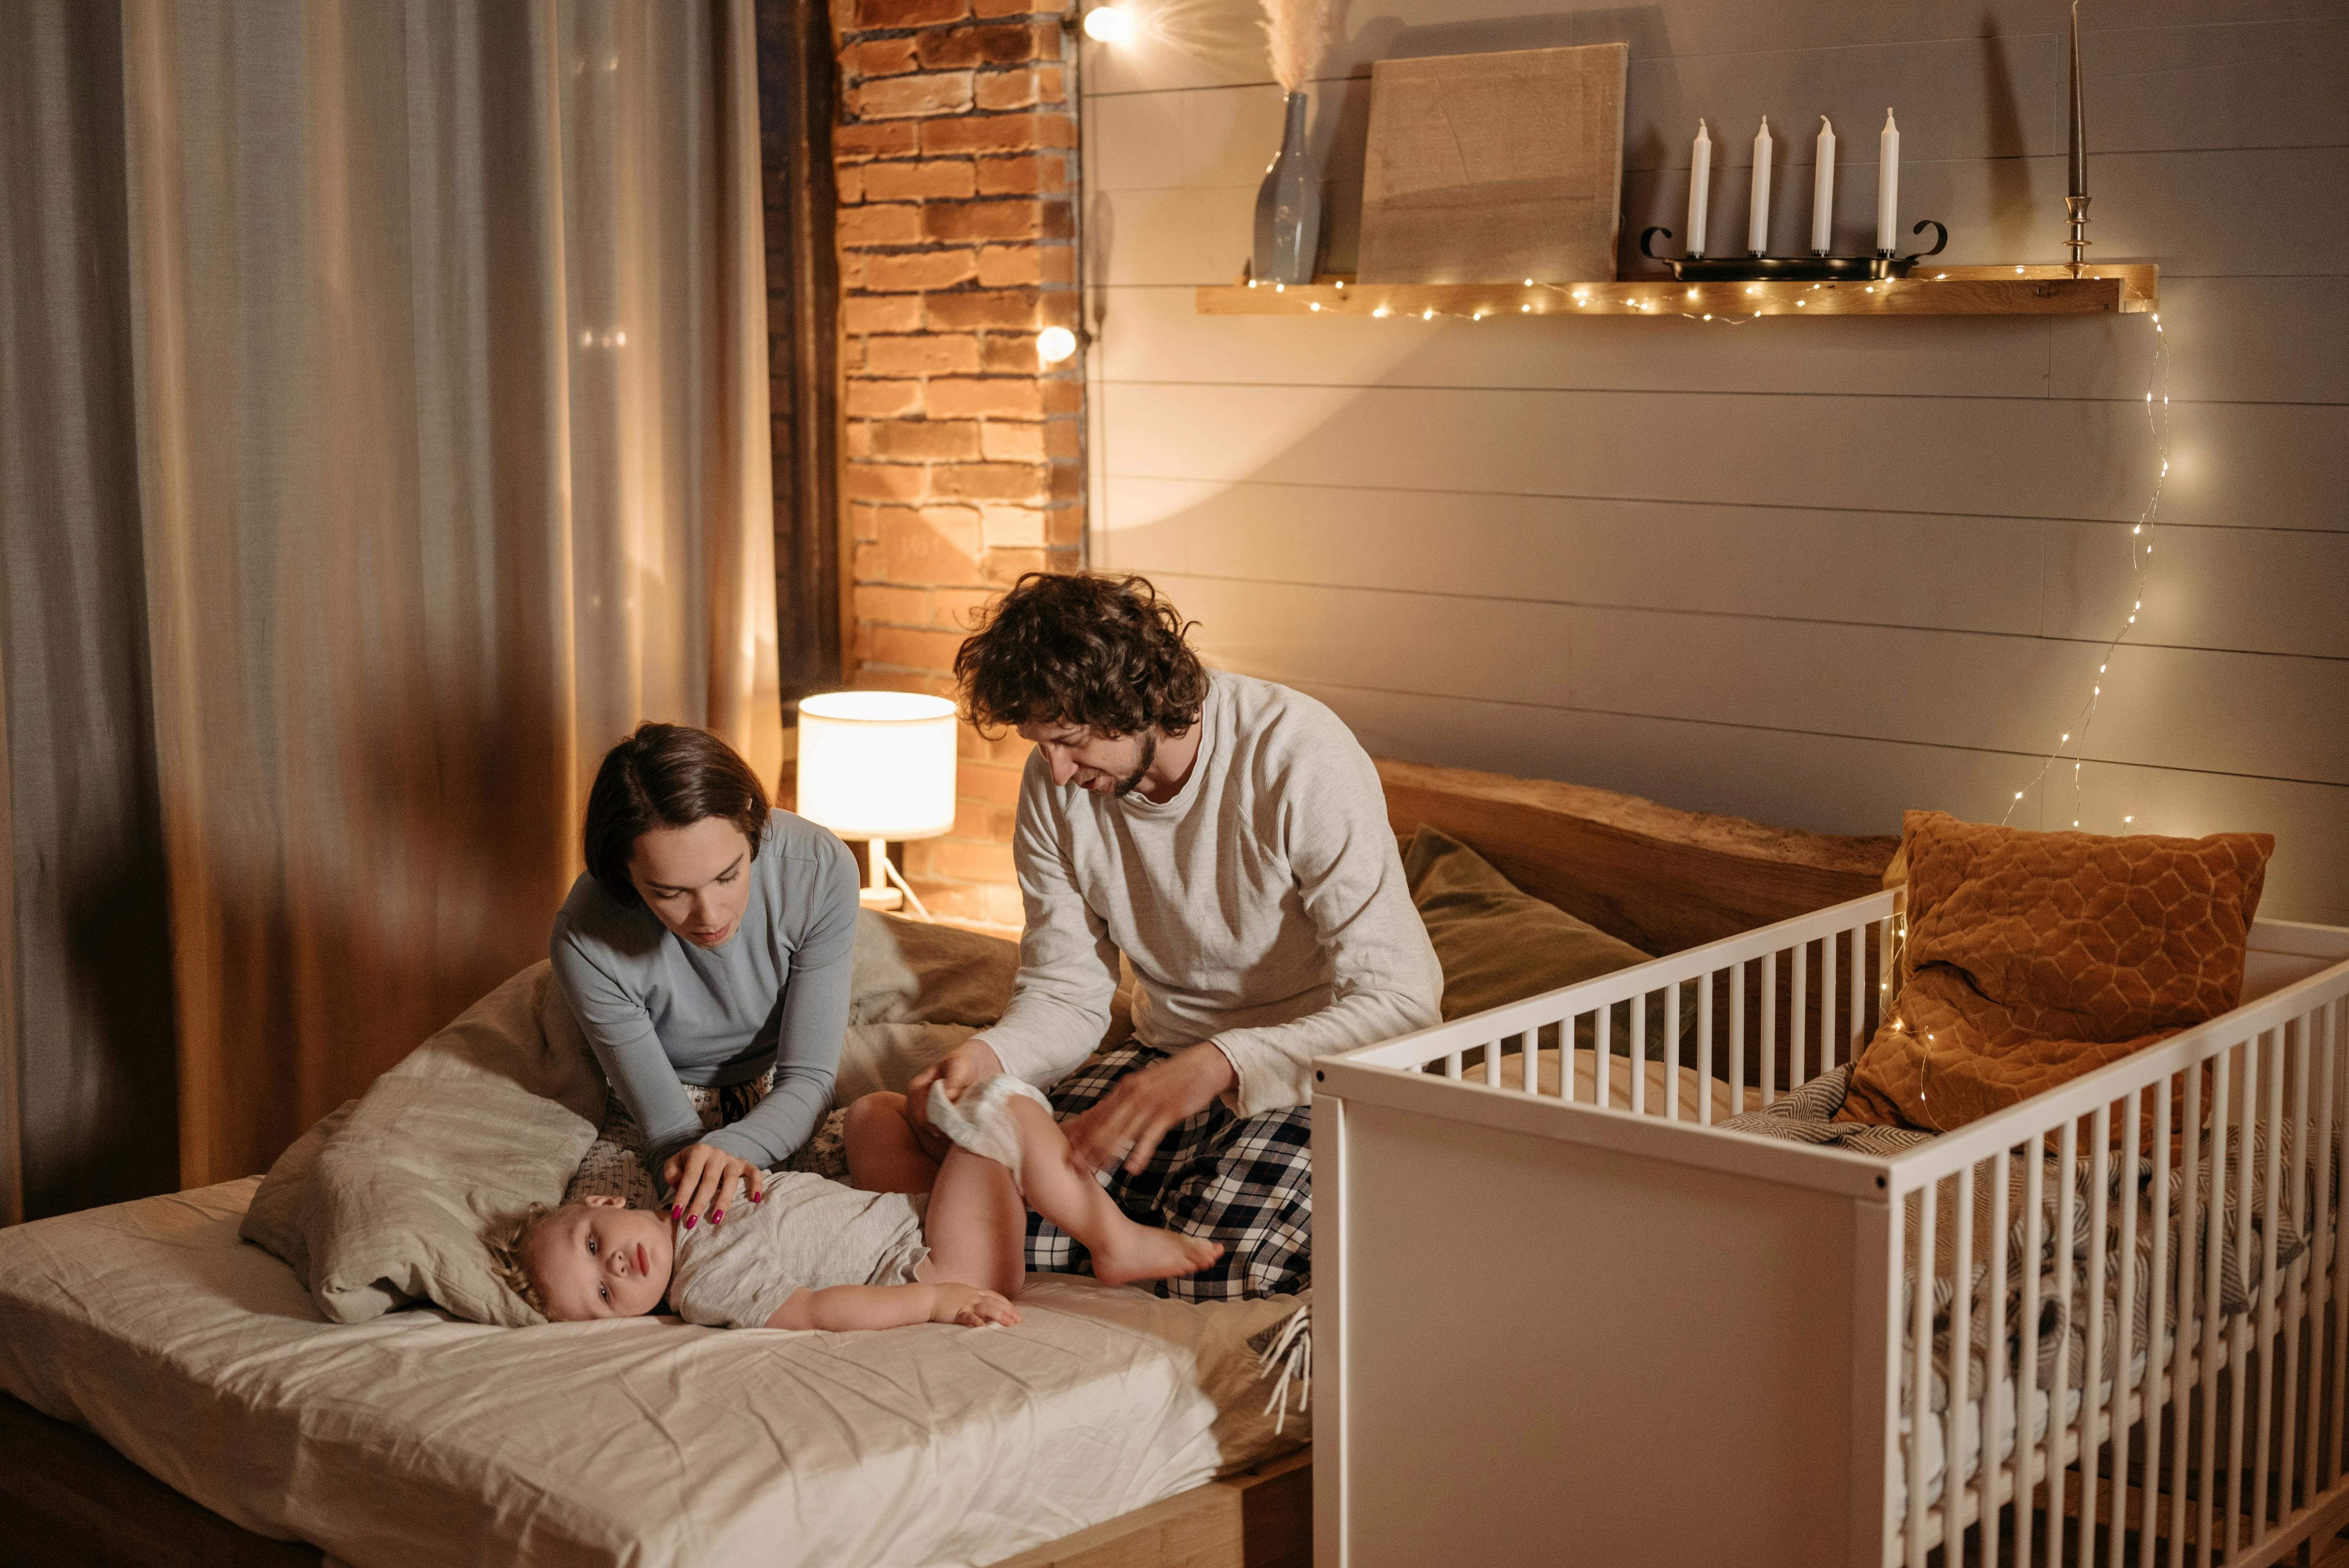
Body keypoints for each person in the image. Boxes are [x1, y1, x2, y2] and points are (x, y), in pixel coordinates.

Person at [850, 572, 1444, 1299]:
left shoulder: (1298, 755)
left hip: (1310, 1072)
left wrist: (1216, 1064)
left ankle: (1080, 1237)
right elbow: (1067, 991)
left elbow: (1404, 1001)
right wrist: (989, 1053)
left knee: (1226, 1267)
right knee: (985, 1174)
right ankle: (1107, 1237)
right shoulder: (1056, 789)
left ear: (1133, 700)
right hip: (1159, 1060)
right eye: (1042, 746)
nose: (1058, 772)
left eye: (1069, 743)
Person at [485, 1073, 1220, 1327]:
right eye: (607, 1295)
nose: (616, 1266)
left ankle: (993, 1176)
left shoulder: (685, 1193)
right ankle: (1115, 1240)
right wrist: (938, 1303)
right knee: (997, 1112)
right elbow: (815, 1312)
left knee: (871, 1114)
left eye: (591, 1248)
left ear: (606, 1204)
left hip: (900, 1220)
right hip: (936, 1265)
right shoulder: (706, 1280)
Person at [550, 722, 859, 1230]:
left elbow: (808, 1076)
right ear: (625, 875)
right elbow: (668, 1127)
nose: (710, 916)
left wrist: (731, 1150)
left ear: (752, 824)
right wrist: (701, 1171)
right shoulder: (584, 937)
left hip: (788, 1087)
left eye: (728, 875)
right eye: (670, 893)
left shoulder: (819, 867)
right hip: (664, 1101)